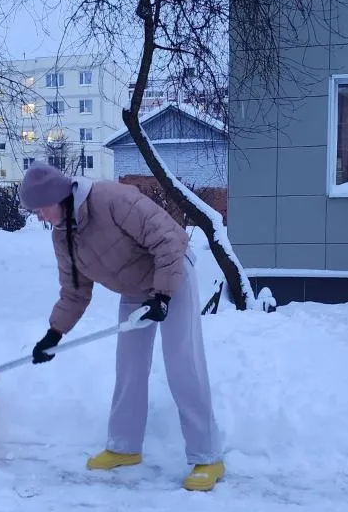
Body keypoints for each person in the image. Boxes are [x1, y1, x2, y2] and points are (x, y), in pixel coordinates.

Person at [17, 164, 225, 492]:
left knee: (182, 362)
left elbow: (168, 240)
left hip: (173, 275)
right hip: (134, 288)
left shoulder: (111, 199)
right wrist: (54, 333)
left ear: (58, 198)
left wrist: (163, 294)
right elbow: (74, 291)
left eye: (41, 209)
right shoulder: (63, 236)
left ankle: (207, 455)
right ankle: (124, 447)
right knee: (129, 366)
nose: (39, 216)